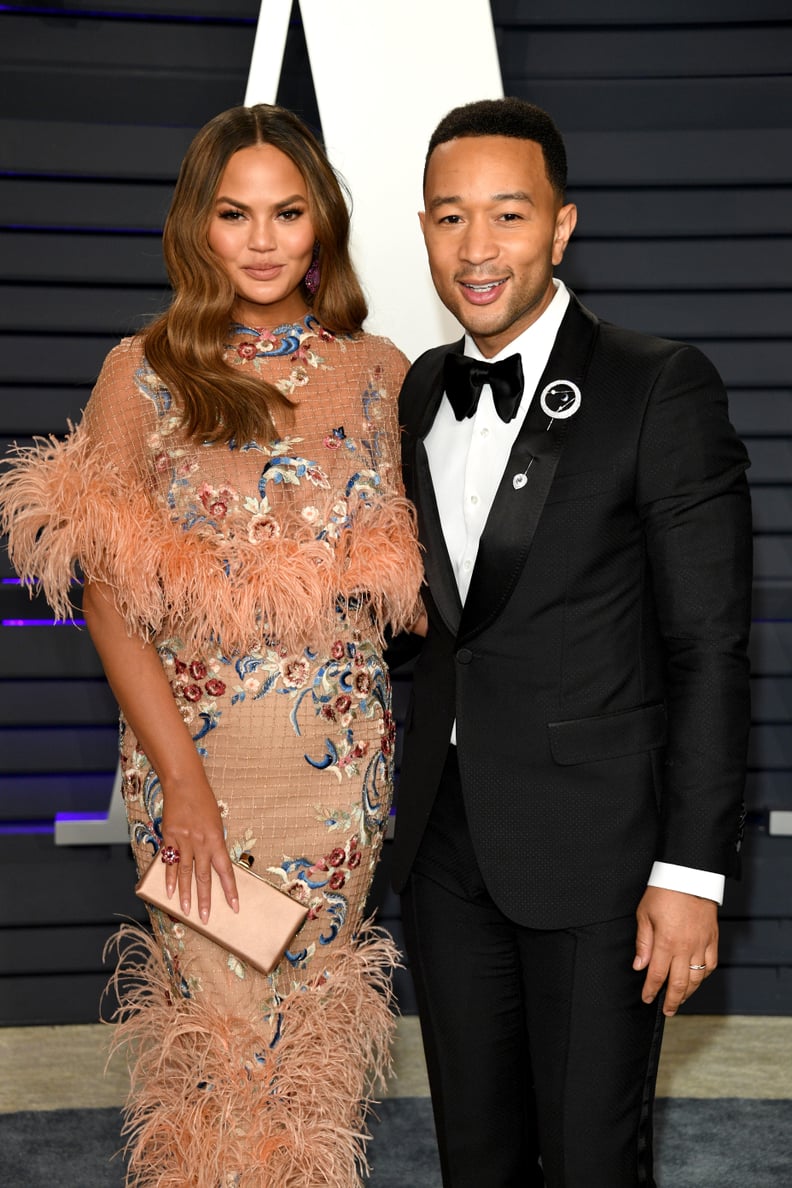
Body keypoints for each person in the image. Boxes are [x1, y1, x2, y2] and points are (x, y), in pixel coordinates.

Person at [0, 103, 422, 1187]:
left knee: (310, 1051)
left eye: (288, 212)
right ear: (199, 227)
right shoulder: (140, 373)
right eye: (236, 214)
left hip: (342, 780)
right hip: (200, 774)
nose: (265, 238)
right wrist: (180, 781)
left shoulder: (377, 372)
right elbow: (108, 601)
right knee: (222, 1058)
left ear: (321, 224)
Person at [389, 97, 752, 1187]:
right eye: (451, 219)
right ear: (422, 233)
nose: (477, 247)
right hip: (446, 850)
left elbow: (709, 650)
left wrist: (692, 871)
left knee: (595, 1160)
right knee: (476, 1157)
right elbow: (435, 628)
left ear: (562, 226)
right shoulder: (415, 393)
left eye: (508, 215)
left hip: (603, 858)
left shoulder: (657, 385)